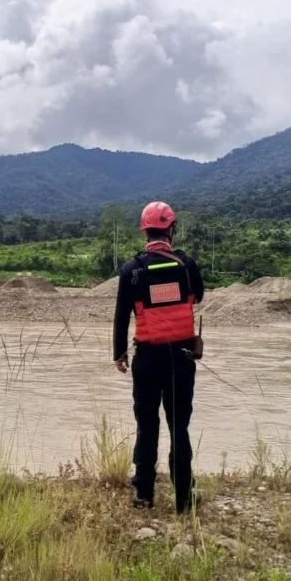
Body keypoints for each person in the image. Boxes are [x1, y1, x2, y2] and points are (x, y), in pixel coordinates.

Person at [113, 201, 204, 514]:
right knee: (179, 428)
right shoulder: (187, 265)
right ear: (171, 229)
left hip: (148, 360)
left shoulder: (132, 270)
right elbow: (200, 295)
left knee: (147, 425)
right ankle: (183, 499)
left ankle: (143, 495)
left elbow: (122, 315)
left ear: (145, 230)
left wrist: (119, 353)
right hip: (181, 359)